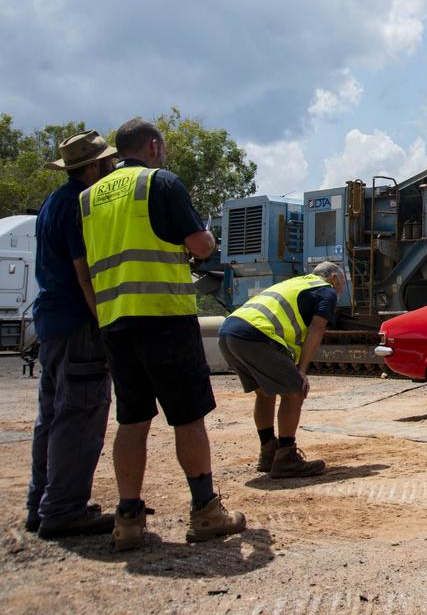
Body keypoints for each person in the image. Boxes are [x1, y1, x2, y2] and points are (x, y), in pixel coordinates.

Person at [79, 117, 245, 551]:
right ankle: (206, 510)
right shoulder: (161, 183)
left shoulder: (88, 199)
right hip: (163, 315)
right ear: (152, 146)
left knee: (132, 419)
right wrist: (205, 237)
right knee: (187, 416)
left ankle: (128, 519)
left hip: (115, 320)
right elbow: (202, 247)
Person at [26, 131, 118, 539]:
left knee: (52, 415)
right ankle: (64, 510)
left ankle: (42, 504)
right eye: (108, 162)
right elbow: (85, 275)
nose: (112, 167)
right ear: (94, 167)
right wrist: (105, 323)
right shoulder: (80, 205)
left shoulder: (51, 203)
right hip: (79, 322)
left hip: (51, 323)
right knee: (81, 414)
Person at [217, 262, 346, 478]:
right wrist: (302, 371)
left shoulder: (297, 283)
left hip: (229, 332)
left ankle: (268, 453)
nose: (340, 290)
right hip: (255, 335)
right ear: (333, 278)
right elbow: (317, 328)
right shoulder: (326, 290)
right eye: (341, 284)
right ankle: (286, 458)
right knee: (295, 391)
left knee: (265, 393)